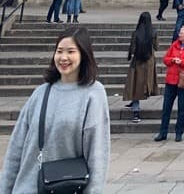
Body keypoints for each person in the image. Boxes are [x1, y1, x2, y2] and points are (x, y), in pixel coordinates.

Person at [0, 26, 110, 193]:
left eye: (71, 51)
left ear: (83, 54)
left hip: (64, 188)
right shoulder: (41, 92)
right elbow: (16, 149)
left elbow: (97, 155)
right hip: (26, 188)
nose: (63, 57)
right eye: (59, 51)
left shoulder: (93, 93)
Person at [155, 23, 184, 142]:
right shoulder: (174, 45)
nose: (179, 34)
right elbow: (165, 59)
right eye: (180, 32)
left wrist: (182, 62)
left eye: (181, 33)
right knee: (166, 108)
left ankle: (179, 132)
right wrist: (172, 60)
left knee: (182, 108)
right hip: (171, 80)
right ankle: (163, 132)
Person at [123, 11, 158, 123]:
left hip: (138, 61)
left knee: (135, 84)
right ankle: (135, 104)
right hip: (149, 61)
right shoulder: (153, 32)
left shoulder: (136, 32)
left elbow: (132, 49)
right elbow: (156, 47)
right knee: (143, 84)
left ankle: (136, 111)